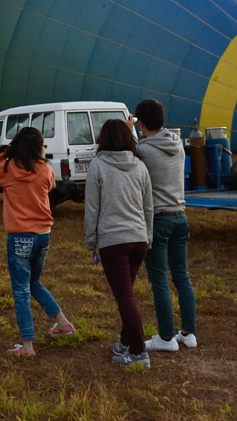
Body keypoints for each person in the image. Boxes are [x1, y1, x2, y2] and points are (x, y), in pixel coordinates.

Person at [0, 127, 75, 357]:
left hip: (20, 235)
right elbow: (50, 186)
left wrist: (2, 153)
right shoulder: (45, 169)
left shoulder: (8, 169)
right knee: (34, 283)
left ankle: (28, 346)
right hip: (43, 234)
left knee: (21, 289)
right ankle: (62, 323)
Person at [85, 119, 154, 369]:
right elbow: (149, 206)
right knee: (128, 295)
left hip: (113, 241)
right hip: (139, 240)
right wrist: (148, 236)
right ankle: (126, 342)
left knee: (124, 296)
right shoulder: (140, 166)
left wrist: (91, 240)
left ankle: (138, 352)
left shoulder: (98, 165)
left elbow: (93, 207)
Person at [131, 99, 198, 353]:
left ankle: (167, 338)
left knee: (159, 279)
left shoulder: (144, 151)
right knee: (182, 276)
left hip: (158, 219)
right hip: (180, 215)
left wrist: (129, 128)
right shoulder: (177, 144)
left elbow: (130, 151)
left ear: (142, 123)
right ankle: (188, 333)